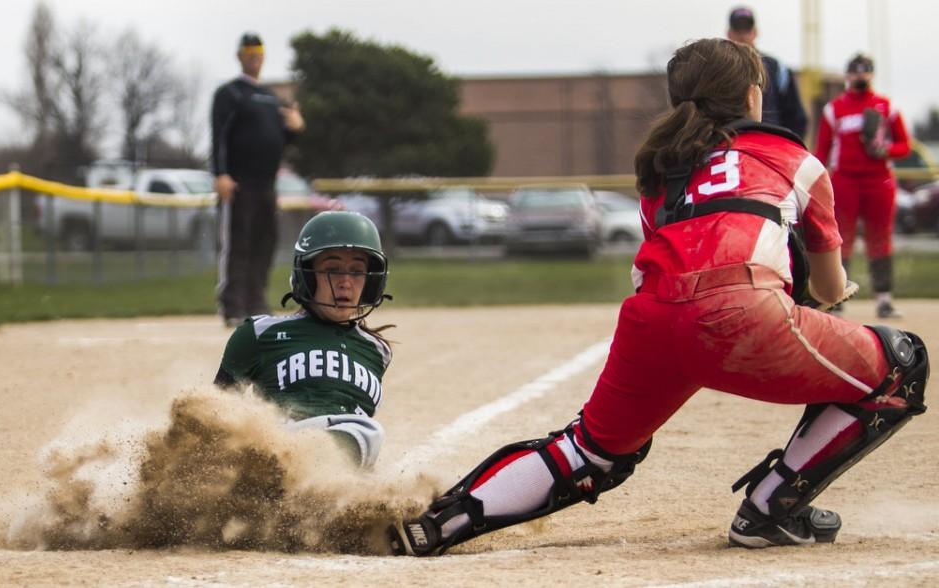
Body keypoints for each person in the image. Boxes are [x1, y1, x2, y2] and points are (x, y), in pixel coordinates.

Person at [388, 38, 928, 556]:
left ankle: (438, 522)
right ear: (751, 97)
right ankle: (770, 510)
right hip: (745, 313)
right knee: (902, 363)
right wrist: (807, 288)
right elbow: (830, 291)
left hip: (652, 320)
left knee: (591, 451)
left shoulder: (662, 173)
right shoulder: (792, 156)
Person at [214, 211, 393, 468]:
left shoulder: (377, 351)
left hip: (342, 466)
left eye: (357, 271)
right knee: (368, 432)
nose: (345, 283)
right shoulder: (259, 334)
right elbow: (213, 412)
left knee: (366, 436)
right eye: (332, 270)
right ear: (306, 275)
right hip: (278, 451)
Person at [211, 32, 306, 327]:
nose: (254, 57)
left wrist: (295, 127)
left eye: (259, 52)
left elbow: (280, 138)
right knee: (238, 243)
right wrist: (220, 173)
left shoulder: (269, 97)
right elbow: (219, 137)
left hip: (267, 184)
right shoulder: (230, 93)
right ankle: (232, 305)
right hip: (239, 182)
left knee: (265, 242)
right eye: (249, 52)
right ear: (240, 56)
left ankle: (256, 302)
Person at [814, 53, 911, 319]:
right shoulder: (834, 109)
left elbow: (905, 146)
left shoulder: (885, 106)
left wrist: (885, 149)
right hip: (845, 181)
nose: (860, 76)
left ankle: (884, 300)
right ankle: (836, 297)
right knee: (839, 239)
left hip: (879, 181)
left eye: (865, 71)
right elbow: (821, 150)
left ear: (872, 74)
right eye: (855, 72)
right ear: (847, 76)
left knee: (880, 239)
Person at [727, 6, 808, 138]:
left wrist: (788, 149)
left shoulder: (777, 69)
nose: (742, 35)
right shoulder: (718, 69)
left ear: (755, 32)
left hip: (771, 145)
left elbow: (796, 118)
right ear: (729, 33)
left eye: (746, 29)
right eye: (738, 29)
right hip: (731, 145)